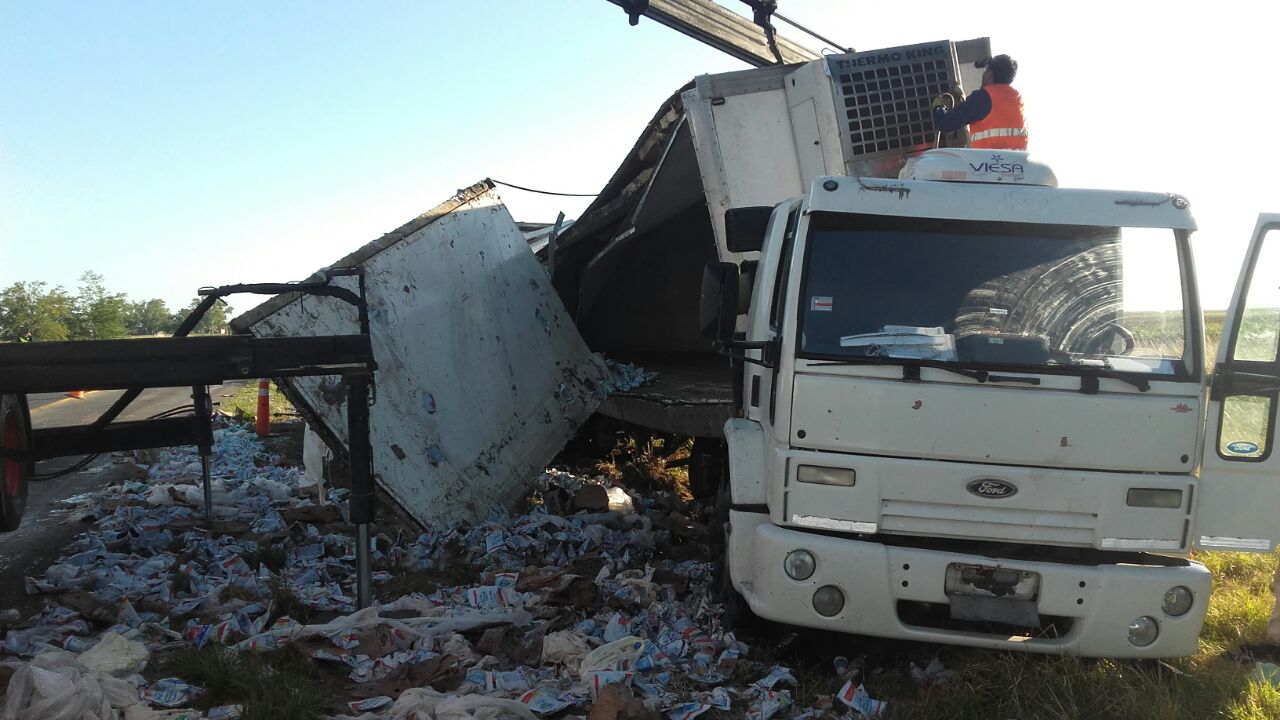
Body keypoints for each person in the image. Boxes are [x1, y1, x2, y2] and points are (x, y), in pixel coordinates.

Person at [932, 54, 1027, 150]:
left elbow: (946, 123)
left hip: (988, 162)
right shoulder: (1017, 98)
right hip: (1017, 162)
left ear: (990, 75)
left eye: (986, 70)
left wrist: (939, 106)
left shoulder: (984, 97)